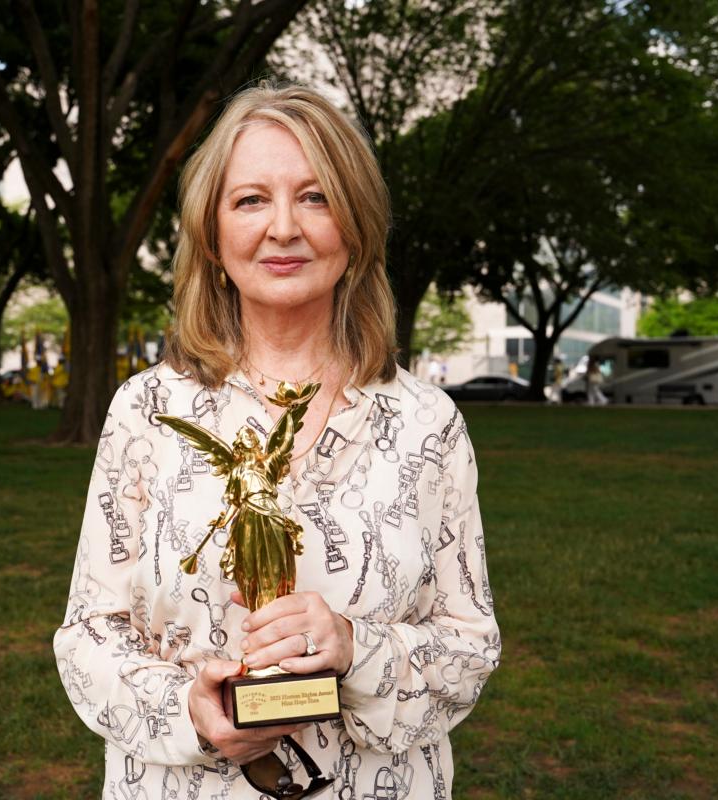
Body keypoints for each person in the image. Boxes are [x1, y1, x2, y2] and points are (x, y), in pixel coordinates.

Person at [54, 83, 499, 800]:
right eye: (251, 200)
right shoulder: (147, 412)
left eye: (316, 197)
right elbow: (87, 637)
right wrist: (187, 712)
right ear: (212, 233)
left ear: (356, 227)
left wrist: (357, 649)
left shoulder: (428, 424)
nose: (284, 228)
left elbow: (470, 649)